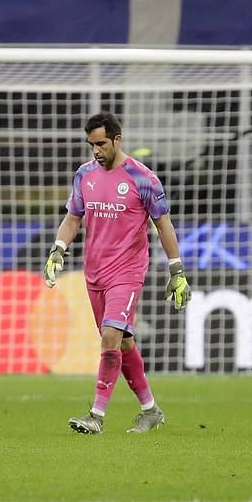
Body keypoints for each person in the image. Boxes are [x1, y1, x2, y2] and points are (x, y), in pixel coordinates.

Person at [44, 111, 192, 435]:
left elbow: (163, 224)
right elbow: (73, 218)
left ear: (117, 140)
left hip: (127, 271)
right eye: (91, 145)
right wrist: (57, 249)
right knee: (123, 343)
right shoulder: (85, 175)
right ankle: (151, 410)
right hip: (94, 272)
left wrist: (176, 270)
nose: (96, 150)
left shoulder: (143, 178)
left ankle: (96, 416)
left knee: (110, 336)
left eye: (101, 144)